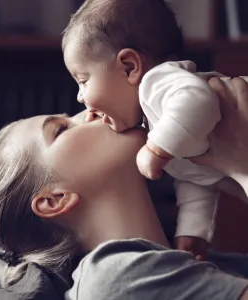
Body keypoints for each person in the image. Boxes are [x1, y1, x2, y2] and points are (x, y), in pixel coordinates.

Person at [0, 77, 248, 299]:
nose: (89, 110)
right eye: (61, 129)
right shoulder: (115, 279)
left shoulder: (197, 263)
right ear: (54, 200)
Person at [61, 0, 248, 259]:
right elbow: (196, 176)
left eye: (83, 81)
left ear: (130, 67)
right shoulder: (165, 125)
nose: (81, 98)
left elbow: (198, 99)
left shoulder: (157, 83)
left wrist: (156, 149)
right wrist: (194, 229)